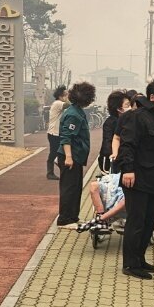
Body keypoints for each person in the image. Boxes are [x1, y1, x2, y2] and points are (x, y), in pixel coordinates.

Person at [118, 76, 154, 279]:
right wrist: (127, 170)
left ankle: (140, 259)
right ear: (153, 97)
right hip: (136, 178)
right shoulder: (138, 117)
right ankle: (130, 264)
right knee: (136, 221)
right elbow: (128, 144)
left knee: (150, 221)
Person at [56, 82, 95, 225]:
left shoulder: (77, 111)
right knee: (69, 188)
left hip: (76, 157)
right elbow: (66, 137)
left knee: (76, 187)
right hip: (71, 157)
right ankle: (64, 219)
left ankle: (73, 217)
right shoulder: (73, 115)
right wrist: (68, 157)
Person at [99, 90, 130, 172]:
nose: (130, 107)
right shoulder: (110, 123)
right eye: (127, 105)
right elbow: (107, 143)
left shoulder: (129, 120)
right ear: (119, 109)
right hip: (113, 162)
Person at [46, 85, 68, 180]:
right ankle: (49, 173)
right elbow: (68, 105)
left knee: (59, 152)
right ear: (60, 96)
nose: (67, 96)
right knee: (54, 152)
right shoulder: (58, 103)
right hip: (54, 133)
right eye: (65, 94)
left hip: (56, 133)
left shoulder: (58, 103)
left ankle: (57, 167)